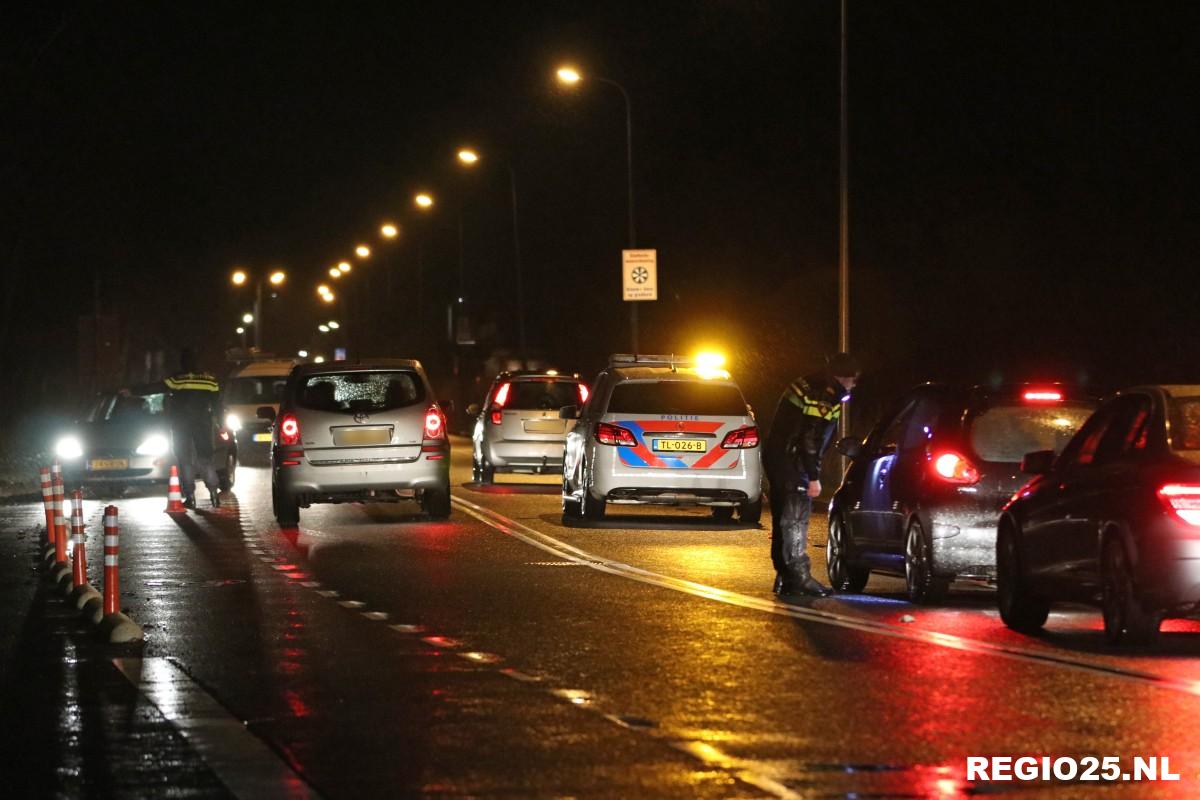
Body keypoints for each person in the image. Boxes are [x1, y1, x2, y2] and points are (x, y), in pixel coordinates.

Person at [764, 352, 860, 596]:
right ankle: (799, 577)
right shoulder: (824, 395)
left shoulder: (807, 383)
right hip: (794, 463)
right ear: (845, 377)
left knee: (782, 519)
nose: (854, 384)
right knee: (796, 519)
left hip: (778, 458)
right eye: (853, 379)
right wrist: (813, 475)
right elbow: (811, 438)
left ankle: (785, 577)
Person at [164, 348, 222, 509]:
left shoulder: (177, 380)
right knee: (205, 459)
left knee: (185, 460)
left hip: (181, 425)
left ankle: (190, 496)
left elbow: (156, 387)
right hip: (203, 424)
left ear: (182, 363)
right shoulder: (210, 381)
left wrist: (131, 391)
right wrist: (221, 424)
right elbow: (218, 405)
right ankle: (214, 494)